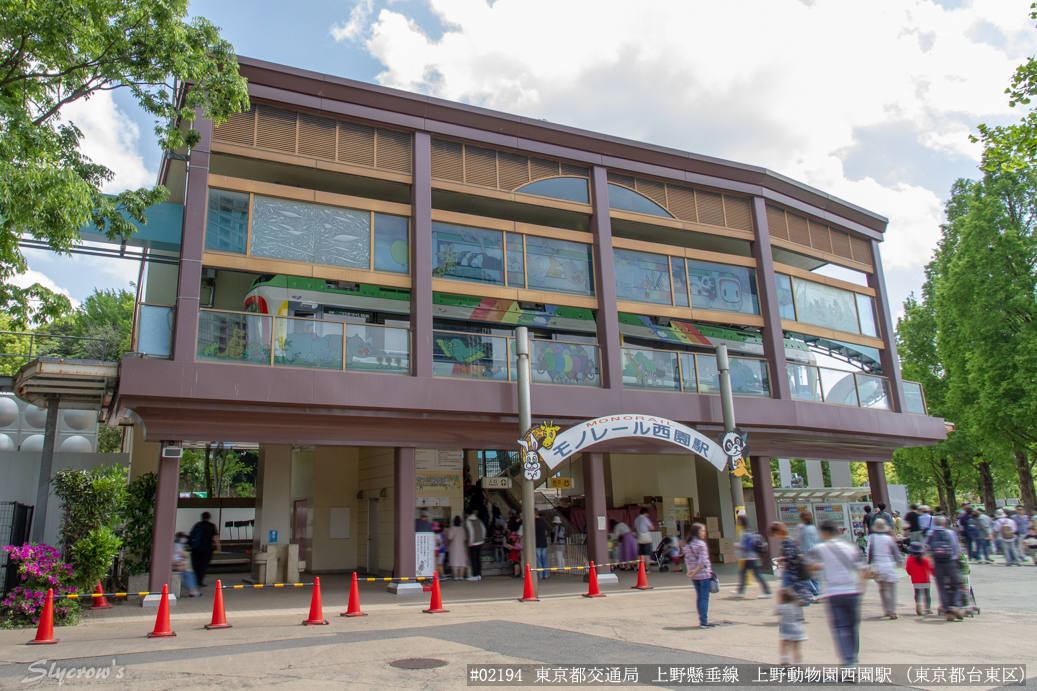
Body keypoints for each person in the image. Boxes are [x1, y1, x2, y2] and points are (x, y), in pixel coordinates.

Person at [807, 520, 868, 666]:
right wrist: (861, 588)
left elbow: (808, 566)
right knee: (853, 627)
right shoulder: (851, 547)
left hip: (834, 593)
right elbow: (864, 571)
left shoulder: (821, 548)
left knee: (841, 627)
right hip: (853, 592)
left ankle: (849, 662)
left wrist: (821, 567)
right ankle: (854, 658)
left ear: (825, 533)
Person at [925, 515, 963, 621]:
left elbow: (928, 548)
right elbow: (956, 547)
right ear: (944, 523)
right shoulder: (950, 533)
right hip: (951, 561)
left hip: (938, 563)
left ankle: (947, 611)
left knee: (941, 587)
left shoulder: (930, 533)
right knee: (956, 584)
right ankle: (955, 605)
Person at [866, 518, 903, 619]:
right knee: (892, 589)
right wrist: (901, 562)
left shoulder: (872, 538)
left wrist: (869, 565)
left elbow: (869, 553)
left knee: (883, 589)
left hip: (878, 567)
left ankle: (887, 610)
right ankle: (893, 611)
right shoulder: (889, 539)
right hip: (889, 566)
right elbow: (896, 552)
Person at [770, 521, 812, 605]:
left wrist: (782, 561)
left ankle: (790, 608)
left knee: (788, 592)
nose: (775, 537)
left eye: (774, 535)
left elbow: (790, 557)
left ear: (779, 532)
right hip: (794, 571)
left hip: (792, 572)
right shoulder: (790, 540)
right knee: (794, 592)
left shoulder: (786, 541)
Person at [682, 522, 714, 629]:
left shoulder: (688, 544)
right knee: (704, 598)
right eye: (702, 531)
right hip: (703, 574)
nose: (704, 533)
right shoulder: (702, 544)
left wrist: (690, 571)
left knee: (699, 597)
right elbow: (703, 561)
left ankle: (702, 620)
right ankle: (704, 621)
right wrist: (695, 571)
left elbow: (687, 559)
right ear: (697, 532)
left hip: (694, 576)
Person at [731, 515, 771, 598]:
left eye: (738, 521)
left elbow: (744, 545)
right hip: (752, 556)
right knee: (744, 573)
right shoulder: (750, 531)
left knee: (755, 574)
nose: (737, 522)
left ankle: (767, 591)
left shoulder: (744, 532)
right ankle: (740, 591)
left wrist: (737, 545)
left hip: (748, 557)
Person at [775, 587, 807, 666]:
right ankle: (798, 663)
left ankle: (784, 659)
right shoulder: (797, 606)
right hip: (798, 629)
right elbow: (800, 618)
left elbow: (776, 612)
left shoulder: (782, 607)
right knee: (796, 648)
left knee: (784, 644)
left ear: (783, 598)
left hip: (787, 629)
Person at [189, 511, 221, 587]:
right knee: (203, 565)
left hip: (196, 548)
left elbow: (191, 535)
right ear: (209, 517)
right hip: (207, 548)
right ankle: (199, 581)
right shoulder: (211, 526)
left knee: (196, 565)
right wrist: (218, 547)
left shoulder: (197, 525)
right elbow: (215, 538)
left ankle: (195, 580)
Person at [904, 541, 933, 616]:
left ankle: (918, 604)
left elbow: (908, 570)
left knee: (917, 594)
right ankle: (928, 608)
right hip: (926, 580)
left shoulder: (909, 559)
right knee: (927, 594)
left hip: (916, 580)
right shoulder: (925, 559)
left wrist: (912, 574)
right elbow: (929, 569)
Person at [796, 511, 820, 597]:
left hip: (805, 553)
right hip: (815, 552)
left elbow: (799, 541)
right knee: (813, 573)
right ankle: (817, 589)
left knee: (803, 574)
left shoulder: (803, 528)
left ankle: (814, 590)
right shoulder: (813, 528)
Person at [173, 532, 201, 597]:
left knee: (188, 573)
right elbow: (184, 555)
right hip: (176, 563)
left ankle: (193, 591)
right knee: (188, 574)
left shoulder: (176, 544)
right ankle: (193, 592)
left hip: (178, 562)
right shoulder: (177, 545)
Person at [466, 511, 486, 581]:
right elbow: (484, 530)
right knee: (478, 558)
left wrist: (470, 542)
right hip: (480, 542)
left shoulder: (469, 521)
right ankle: (479, 574)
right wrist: (483, 538)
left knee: (474, 559)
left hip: (474, 543)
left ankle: (474, 574)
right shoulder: (479, 521)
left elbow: (471, 532)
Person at [448, 515, 469, 580]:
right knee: (462, 561)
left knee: (454, 561)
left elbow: (450, 537)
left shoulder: (452, 528)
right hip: (461, 546)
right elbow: (465, 538)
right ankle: (461, 576)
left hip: (454, 546)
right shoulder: (462, 529)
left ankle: (456, 576)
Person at [634, 507, 655, 571]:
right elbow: (652, 528)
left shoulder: (636, 519)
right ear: (645, 513)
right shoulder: (645, 519)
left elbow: (636, 528)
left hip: (639, 538)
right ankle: (647, 568)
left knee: (640, 554)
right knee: (647, 554)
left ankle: (638, 568)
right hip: (646, 537)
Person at [534, 512, 550, 579]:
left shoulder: (534, 522)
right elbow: (545, 532)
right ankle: (545, 574)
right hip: (544, 542)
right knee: (544, 559)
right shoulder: (543, 522)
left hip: (537, 542)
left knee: (538, 559)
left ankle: (540, 575)